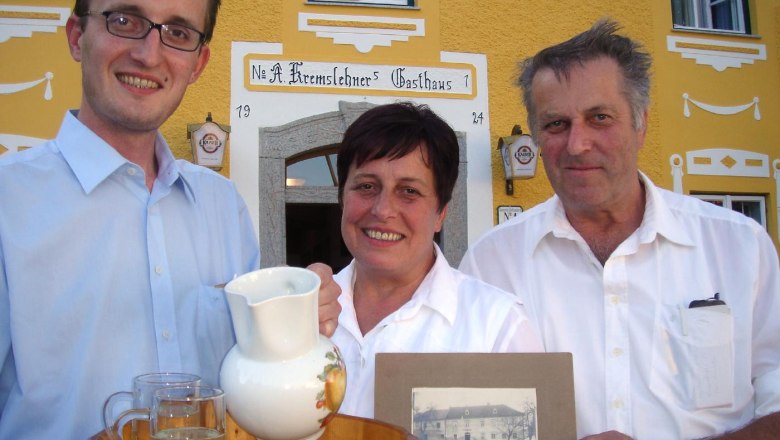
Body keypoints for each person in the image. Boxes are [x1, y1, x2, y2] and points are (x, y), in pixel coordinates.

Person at [0, 1, 340, 438]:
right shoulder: (10, 199)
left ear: (198, 63)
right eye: (124, 20)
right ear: (77, 37)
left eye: (178, 33)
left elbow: (256, 377)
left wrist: (297, 313)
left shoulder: (222, 204)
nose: (149, 54)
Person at [459, 19, 780, 439]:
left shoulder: (739, 246)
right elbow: (467, 410)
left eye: (600, 118)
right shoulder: (491, 265)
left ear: (640, 123)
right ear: (536, 135)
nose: (577, 144)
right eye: (556, 124)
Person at [331, 102, 544, 418]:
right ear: (342, 198)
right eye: (366, 186)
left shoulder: (496, 326)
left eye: (409, 191)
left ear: (441, 212)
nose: (383, 210)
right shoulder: (298, 313)